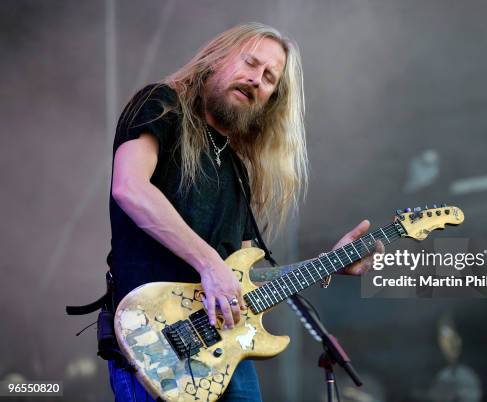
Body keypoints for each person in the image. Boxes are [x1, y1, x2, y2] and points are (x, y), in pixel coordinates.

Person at [108, 22, 383, 401]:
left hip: (226, 349)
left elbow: (247, 278)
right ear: (216, 60)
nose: (256, 79)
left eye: (269, 78)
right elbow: (130, 187)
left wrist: (328, 263)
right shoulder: (161, 103)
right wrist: (209, 264)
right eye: (250, 63)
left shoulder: (236, 168)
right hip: (156, 337)